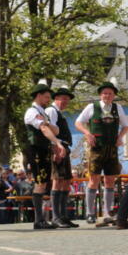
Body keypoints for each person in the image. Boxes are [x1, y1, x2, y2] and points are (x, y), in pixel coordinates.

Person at [75, 82, 128, 224]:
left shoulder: (118, 108)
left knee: (110, 180)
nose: (107, 96)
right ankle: (90, 213)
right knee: (94, 180)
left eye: (110, 93)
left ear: (114, 95)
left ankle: (107, 212)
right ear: (100, 95)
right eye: (105, 93)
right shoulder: (91, 107)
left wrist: (120, 137)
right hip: (96, 149)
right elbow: (78, 123)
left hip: (112, 149)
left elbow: (126, 126)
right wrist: (87, 133)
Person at [23, 83, 67, 230]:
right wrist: (57, 143)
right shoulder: (32, 111)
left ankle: (40, 220)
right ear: (38, 95)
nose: (49, 100)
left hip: (44, 149)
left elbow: (56, 129)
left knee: (43, 183)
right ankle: (38, 220)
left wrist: (48, 125)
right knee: (40, 182)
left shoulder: (43, 112)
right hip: (36, 150)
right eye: (47, 97)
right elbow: (44, 129)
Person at [45, 87, 78, 228]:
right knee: (57, 180)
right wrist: (55, 148)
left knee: (65, 181)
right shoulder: (51, 111)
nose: (66, 102)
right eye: (63, 99)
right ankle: (56, 217)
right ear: (56, 98)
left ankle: (63, 216)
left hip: (64, 148)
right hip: (57, 148)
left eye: (67, 100)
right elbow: (49, 130)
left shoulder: (58, 113)